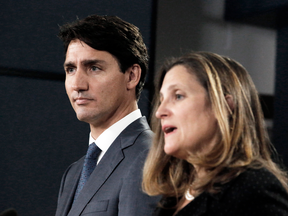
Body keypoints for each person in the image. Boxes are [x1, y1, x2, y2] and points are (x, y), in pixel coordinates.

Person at [142, 51, 288, 216]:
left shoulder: (254, 189)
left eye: (178, 96)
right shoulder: (173, 195)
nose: (159, 112)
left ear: (225, 106)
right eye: (161, 101)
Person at [55, 14, 159, 216]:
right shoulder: (74, 173)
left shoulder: (150, 158)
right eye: (70, 69)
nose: (77, 85)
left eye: (94, 68)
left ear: (131, 76)